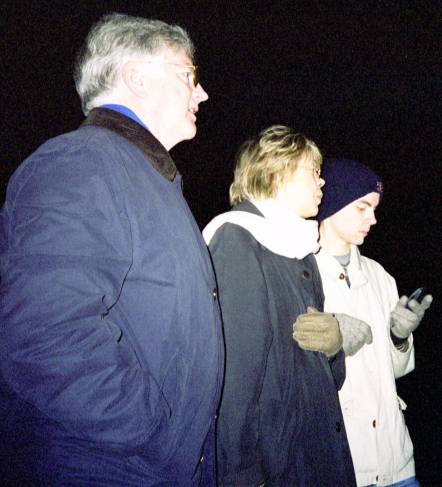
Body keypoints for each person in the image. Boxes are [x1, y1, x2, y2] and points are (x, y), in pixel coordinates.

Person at [0, 13, 223, 486]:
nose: (202, 93)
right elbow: (44, 335)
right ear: (136, 77)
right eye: (189, 75)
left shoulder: (144, 177)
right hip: (107, 468)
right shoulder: (80, 164)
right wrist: (156, 431)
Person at [203, 126, 357, 486]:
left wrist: (334, 348)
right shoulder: (238, 240)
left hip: (317, 456)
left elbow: (328, 380)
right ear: (276, 172)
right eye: (313, 171)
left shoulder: (301, 250)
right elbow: (234, 380)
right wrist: (242, 475)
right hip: (277, 468)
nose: (322, 181)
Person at [313, 158, 433, 487]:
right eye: (362, 208)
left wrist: (399, 336)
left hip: (397, 462)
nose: (373, 219)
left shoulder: (379, 275)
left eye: (375, 208)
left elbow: (393, 370)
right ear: (333, 204)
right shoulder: (301, 272)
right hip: (341, 465)